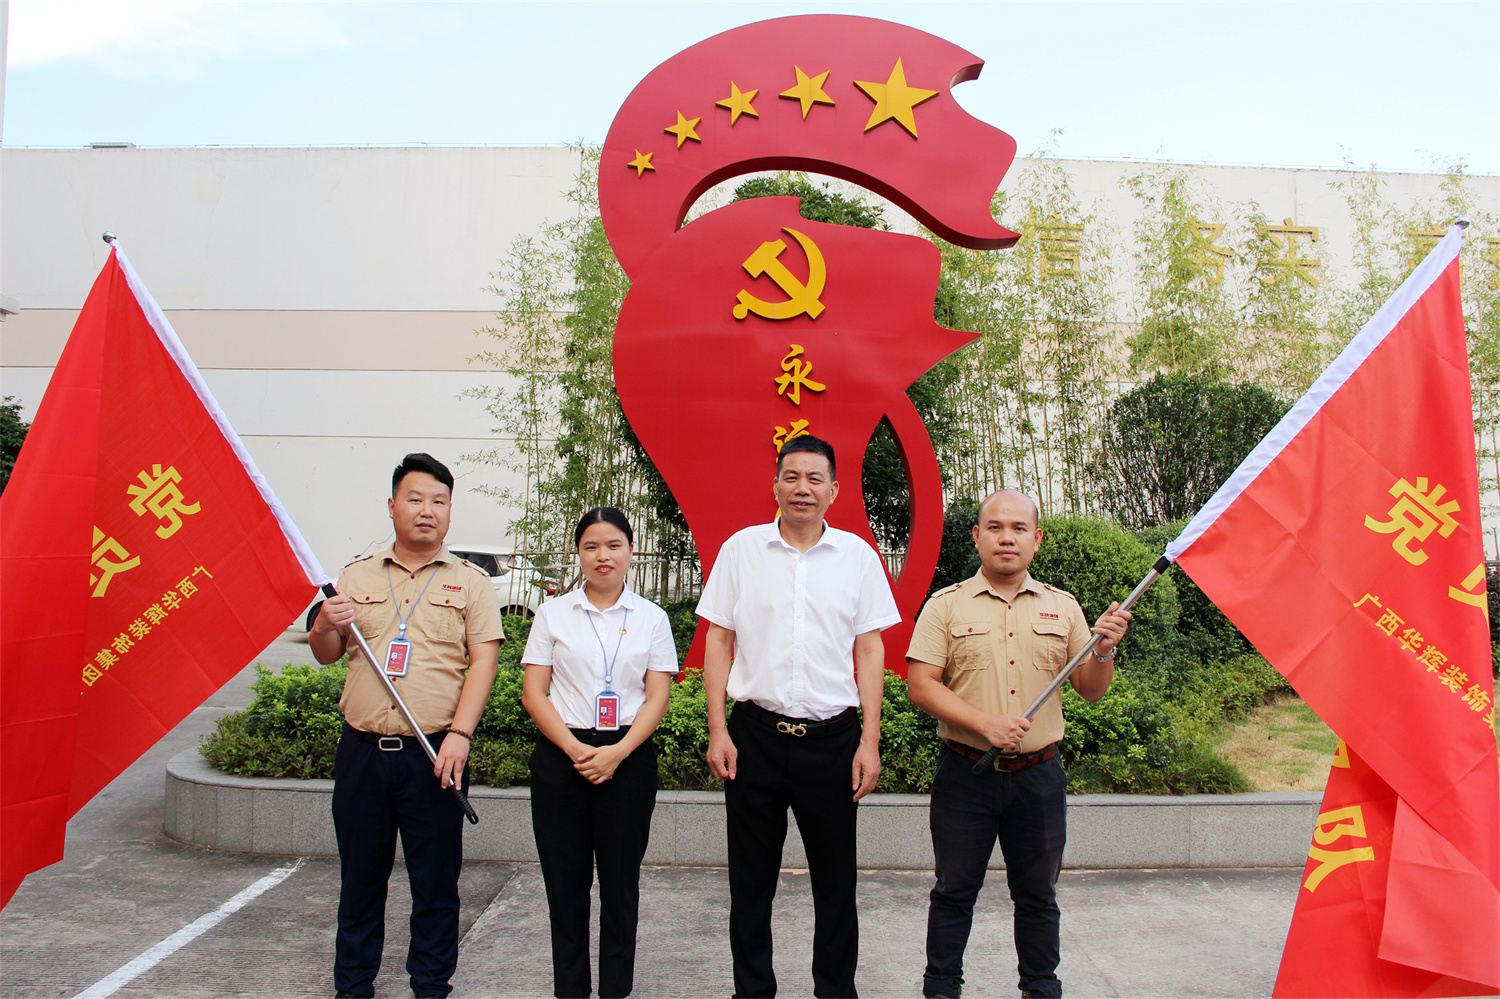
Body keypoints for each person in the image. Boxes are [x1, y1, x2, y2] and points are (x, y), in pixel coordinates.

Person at [696, 434, 902, 999]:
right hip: (754, 738)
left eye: (815, 478)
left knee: (835, 886)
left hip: (832, 743)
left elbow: (870, 650)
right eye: (791, 476)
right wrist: (717, 730)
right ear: (775, 485)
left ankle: (835, 991)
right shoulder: (742, 550)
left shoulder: (858, 557)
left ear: (834, 489)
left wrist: (870, 740)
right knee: (750, 884)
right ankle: (752, 991)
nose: (802, 488)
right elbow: (719, 640)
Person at [905, 490, 1131, 999]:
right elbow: (921, 685)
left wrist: (1105, 649)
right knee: (953, 892)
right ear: (977, 536)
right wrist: (986, 725)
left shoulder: (1063, 607)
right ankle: (941, 989)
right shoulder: (946, 605)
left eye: (1018, 529)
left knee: (1037, 896)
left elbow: (1092, 690)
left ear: (1037, 539)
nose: (1006, 538)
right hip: (966, 775)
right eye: (995, 527)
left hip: (1039, 779)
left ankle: (1040, 988)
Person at [309, 452, 504, 999]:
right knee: (360, 882)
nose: (427, 510)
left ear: (450, 512)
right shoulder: (355, 576)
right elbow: (327, 653)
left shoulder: (471, 583)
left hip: (435, 755)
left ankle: (431, 986)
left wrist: (461, 736)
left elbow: (484, 662)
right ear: (392, 506)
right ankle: (353, 987)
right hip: (363, 754)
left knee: (436, 884)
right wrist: (323, 623)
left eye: (439, 501)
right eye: (415, 499)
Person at [520, 507, 679, 999]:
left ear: (631, 550)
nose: (602, 556)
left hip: (628, 760)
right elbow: (534, 693)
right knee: (564, 887)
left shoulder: (651, 618)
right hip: (561, 757)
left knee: (620, 885)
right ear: (578, 553)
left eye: (613, 545)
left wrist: (617, 752)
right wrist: (575, 749)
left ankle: (615, 990)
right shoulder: (552, 614)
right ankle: (570, 991)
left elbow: (657, 698)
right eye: (591, 546)